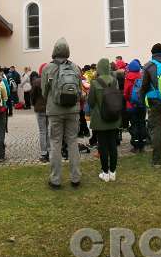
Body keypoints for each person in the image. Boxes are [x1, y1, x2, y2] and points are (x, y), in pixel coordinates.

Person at [41, 38, 82, 189]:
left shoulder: (47, 68)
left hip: (55, 111)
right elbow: (79, 89)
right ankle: (76, 177)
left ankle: (56, 179)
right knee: (72, 142)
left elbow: (44, 92)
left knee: (55, 143)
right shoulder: (76, 68)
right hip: (73, 110)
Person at [88, 58, 121, 182]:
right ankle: (113, 172)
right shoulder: (115, 81)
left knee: (103, 146)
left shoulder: (95, 83)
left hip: (100, 119)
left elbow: (91, 103)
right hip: (113, 117)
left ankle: (105, 172)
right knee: (113, 145)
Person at [124, 59, 146, 153]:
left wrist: (129, 100)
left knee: (134, 125)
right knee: (142, 123)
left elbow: (126, 93)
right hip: (142, 104)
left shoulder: (128, 78)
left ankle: (136, 146)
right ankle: (143, 145)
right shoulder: (142, 76)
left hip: (131, 105)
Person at [31, 63, 50, 162]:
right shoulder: (51, 80)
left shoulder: (36, 82)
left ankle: (44, 153)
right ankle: (51, 151)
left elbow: (33, 96)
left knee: (43, 131)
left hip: (40, 109)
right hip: (50, 108)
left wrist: (34, 104)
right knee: (49, 130)